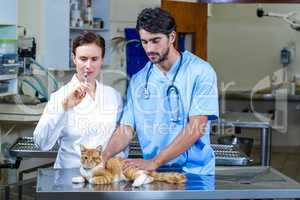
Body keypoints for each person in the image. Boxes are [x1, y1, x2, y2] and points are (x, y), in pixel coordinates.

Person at [102, 8, 219, 175]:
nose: (149, 48)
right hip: (153, 173)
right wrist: (104, 155)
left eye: (155, 40)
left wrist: (155, 161)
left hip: (194, 173)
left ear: (171, 37)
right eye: (144, 41)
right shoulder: (138, 80)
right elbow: (126, 128)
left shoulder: (200, 71)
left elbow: (196, 127)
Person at [33, 31, 123, 168]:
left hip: (103, 175)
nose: (88, 65)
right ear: (74, 58)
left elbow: (120, 139)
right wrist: (64, 107)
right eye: (83, 58)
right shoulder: (60, 97)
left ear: (102, 60)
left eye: (94, 59)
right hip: (69, 175)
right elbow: (41, 142)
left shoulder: (113, 96)